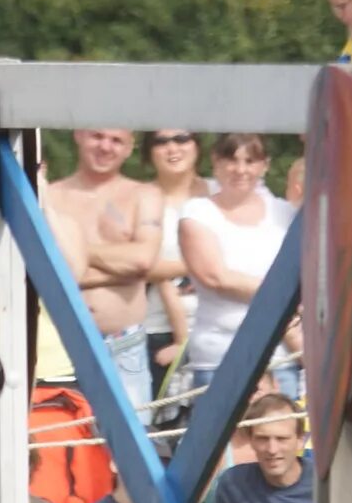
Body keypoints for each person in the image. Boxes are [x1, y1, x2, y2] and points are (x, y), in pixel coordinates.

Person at [37, 129, 163, 413]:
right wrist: (120, 266)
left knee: (128, 447)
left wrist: (75, 253)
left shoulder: (143, 194)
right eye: (98, 136)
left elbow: (143, 259)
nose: (106, 147)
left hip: (123, 343)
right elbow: (38, 268)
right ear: (79, 135)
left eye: (117, 140)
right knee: (66, 438)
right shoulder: (50, 194)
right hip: (59, 345)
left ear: (130, 147)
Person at [175, 135, 292, 404]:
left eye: (250, 161)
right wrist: (284, 295)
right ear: (216, 162)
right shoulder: (197, 212)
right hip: (219, 357)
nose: (241, 170)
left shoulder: (286, 214)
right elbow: (215, 277)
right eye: (231, 160)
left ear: (265, 165)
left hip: (280, 357)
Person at [138, 129, 205, 386]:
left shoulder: (221, 189)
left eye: (181, 139)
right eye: (161, 141)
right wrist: (200, 266)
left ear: (197, 145)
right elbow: (134, 266)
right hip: (157, 333)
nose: (172, 148)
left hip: (220, 329)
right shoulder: (137, 198)